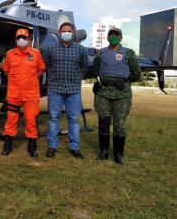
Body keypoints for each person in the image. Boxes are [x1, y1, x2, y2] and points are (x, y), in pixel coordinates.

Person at [92, 27, 141, 165]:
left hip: (121, 94)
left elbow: (137, 74)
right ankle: (104, 151)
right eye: (111, 34)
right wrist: (97, 83)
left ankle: (119, 154)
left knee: (119, 124)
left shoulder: (129, 53)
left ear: (121, 37)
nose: (113, 37)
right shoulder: (101, 53)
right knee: (103, 122)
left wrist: (125, 80)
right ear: (107, 37)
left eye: (116, 35)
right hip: (103, 93)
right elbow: (95, 70)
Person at [42, 16, 89, 159]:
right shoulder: (50, 49)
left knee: (73, 119)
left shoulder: (81, 50)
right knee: (53, 118)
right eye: (64, 31)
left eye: (69, 31)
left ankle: (74, 147)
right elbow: (47, 66)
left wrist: (76, 79)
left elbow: (84, 67)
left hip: (73, 90)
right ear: (59, 32)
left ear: (73, 33)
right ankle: (52, 146)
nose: (67, 33)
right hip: (55, 89)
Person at [1, 28, 45, 157]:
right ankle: (8, 144)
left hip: (31, 94)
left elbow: (41, 69)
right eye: (19, 38)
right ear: (15, 39)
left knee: (31, 120)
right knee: (11, 119)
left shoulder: (36, 54)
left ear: (28, 39)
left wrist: (31, 79)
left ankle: (32, 145)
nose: (21, 40)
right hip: (14, 94)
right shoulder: (9, 54)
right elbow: (5, 70)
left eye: (24, 38)